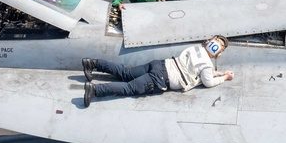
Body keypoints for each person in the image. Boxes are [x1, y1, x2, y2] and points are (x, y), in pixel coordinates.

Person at [81, 35, 234, 107]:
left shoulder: (197, 48)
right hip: (160, 79)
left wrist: (218, 72)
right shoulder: (207, 64)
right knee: (129, 88)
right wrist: (225, 77)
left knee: (125, 73)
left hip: (159, 65)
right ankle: (95, 90)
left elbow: (198, 69)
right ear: (219, 53)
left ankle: (92, 63)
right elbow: (207, 82)